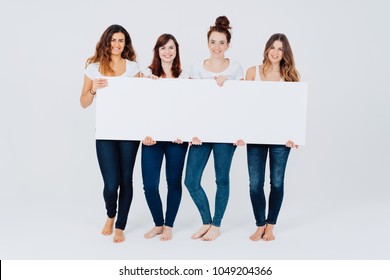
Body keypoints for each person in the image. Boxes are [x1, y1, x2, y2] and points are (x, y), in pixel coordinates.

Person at [184, 16, 245, 241]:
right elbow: (191, 103)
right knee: (191, 180)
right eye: (213, 42)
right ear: (207, 43)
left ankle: (216, 224)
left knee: (222, 179)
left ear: (228, 45)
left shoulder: (236, 68)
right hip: (201, 134)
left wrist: (239, 133)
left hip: (226, 133)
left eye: (221, 42)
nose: (217, 47)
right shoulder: (196, 68)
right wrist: (192, 131)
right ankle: (206, 221)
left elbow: (241, 104)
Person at [80, 24, 140, 243]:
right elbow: (83, 102)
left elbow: (143, 99)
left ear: (126, 44)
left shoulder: (134, 68)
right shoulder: (93, 67)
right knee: (110, 183)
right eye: (113, 40)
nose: (116, 44)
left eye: (121, 40)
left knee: (126, 179)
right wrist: (94, 89)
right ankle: (110, 215)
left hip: (129, 132)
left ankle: (121, 225)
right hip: (105, 132)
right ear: (106, 41)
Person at [245, 33, 300, 241]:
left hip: (280, 139)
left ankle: (271, 225)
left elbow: (294, 110)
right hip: (256, 137)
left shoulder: (290, 77)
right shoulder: (253, 72)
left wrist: (294, 135)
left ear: (285, 54)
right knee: (255, 184)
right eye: (273, 48)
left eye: (280, 49)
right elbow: (241, 105)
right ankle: (260, 224)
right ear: (267, 49)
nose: (276, 53)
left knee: (276, 183)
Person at [140, 34, 189, 241]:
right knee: (150, 185)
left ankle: (169, 224)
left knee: (173, 182)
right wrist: (143, 133)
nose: (167, 52)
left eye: (171, 48)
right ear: (157, 51)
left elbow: (190, 109)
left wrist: (183, 133)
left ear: (176, 51)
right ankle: (158, 223)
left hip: (176, 140)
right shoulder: (146, 74)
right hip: (152, 139)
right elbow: (138, 107)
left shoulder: (185, 76)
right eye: (163, 48)